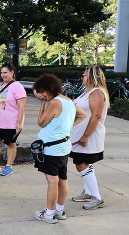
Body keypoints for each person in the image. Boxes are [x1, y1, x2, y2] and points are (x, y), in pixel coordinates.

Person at [33, 74, 86, 224]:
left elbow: (41, 122)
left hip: (51, 148)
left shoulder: (55, 102)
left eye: (42, 92)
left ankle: (49, 214)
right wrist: (65, 127)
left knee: (52, 181)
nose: (41, 95)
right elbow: (83, 115)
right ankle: (59, 210)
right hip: (63, 146)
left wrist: (42, 103)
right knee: (62, 179)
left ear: (49, 89)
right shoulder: (68, 101)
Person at [70, 66, 110, 210]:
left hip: (89, 136)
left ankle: (97, 197)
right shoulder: (87, 92)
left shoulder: (97, 92)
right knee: (85, 163)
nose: (82, 77)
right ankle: (88, 192)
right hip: (79, 134)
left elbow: (96, 116)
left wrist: (85, 135)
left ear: (92, 76)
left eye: (84, 75)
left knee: (81, 164)